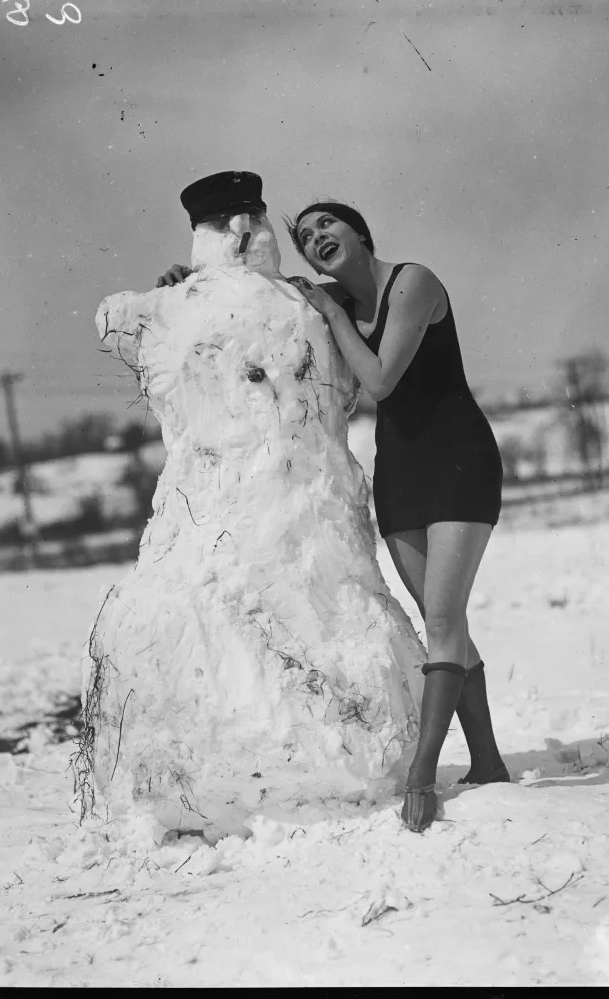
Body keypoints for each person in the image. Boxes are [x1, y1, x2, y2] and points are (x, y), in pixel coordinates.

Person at [157, 193, 509, 834]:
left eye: (328, 223)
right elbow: (256, 300)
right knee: (444, 621)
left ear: (359, 232)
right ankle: (487, 763)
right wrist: (192, 287)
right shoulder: (331, 301)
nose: (318, 235)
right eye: (307, 235)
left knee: (442, 619)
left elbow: (379, 380)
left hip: (458, 459)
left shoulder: (413, 282)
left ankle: (423, 774)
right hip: (400, 472)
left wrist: (329, 310)